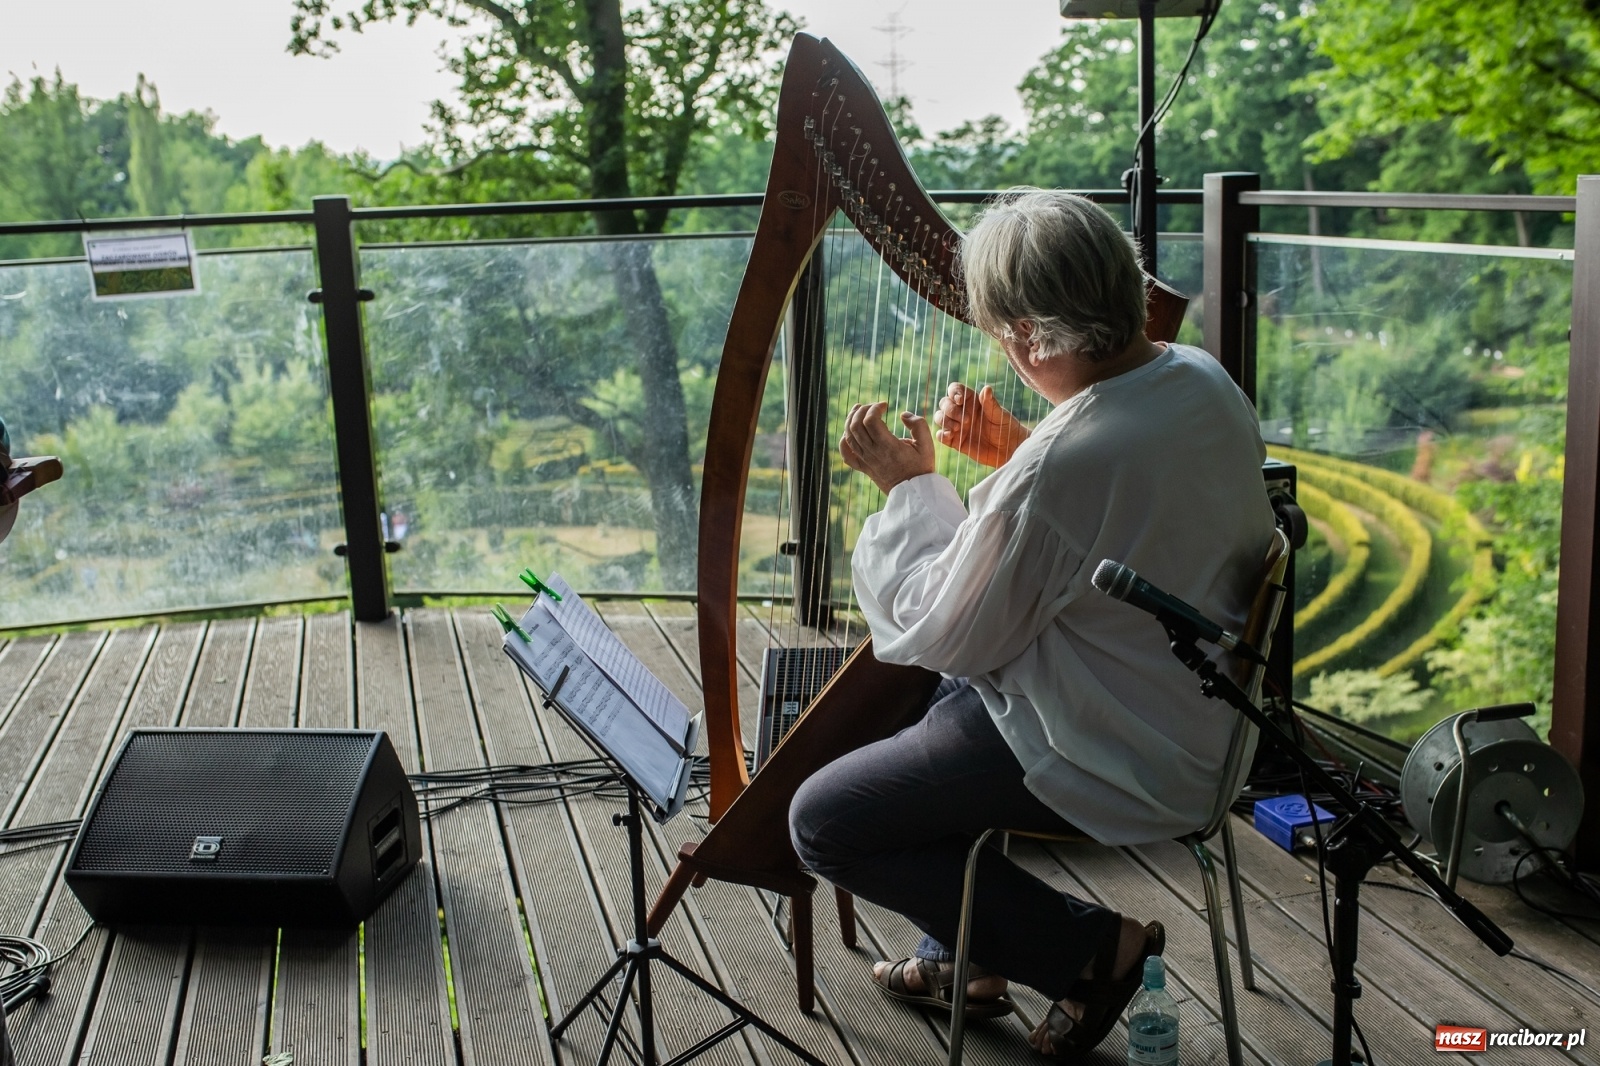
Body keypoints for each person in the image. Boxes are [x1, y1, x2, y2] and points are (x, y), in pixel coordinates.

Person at [788, 189, 1276, 1058]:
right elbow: (1115, 514)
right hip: (1200, 712)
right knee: (940, 712)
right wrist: (1016, 452)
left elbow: (938, 628)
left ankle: (1094, 950)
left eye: (998, 331)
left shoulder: (1063, 465)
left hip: (1119, 738)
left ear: (1028, 336)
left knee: (824, 819)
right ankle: (963, 959)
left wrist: (909, 488)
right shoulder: (1196, 376)